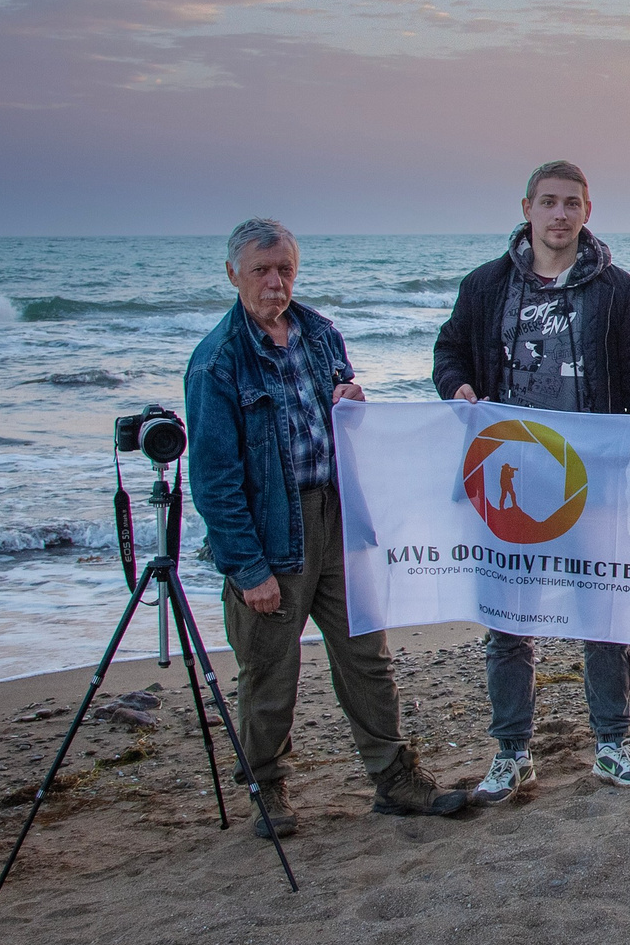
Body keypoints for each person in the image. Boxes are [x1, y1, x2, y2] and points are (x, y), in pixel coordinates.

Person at [185, 218, 468, 837]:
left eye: (284, 268)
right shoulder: (217, 363)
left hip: (338, 517)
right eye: (260, 270)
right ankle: (268, 789)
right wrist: (247, 566)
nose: (274, 282)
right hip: (271, 532)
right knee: (269, 672)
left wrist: (353, 400)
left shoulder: (318, 334)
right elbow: (212, 480)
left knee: (367, 655)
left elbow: (339, 413)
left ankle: (395, 780)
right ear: (233, 273)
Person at [434, 161, 630, 799]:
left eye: (571, 203)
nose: (559, 215)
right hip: (509, 476)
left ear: (587, 211)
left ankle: (613, 743)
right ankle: (512, 752)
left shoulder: (616, 290)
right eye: (548, 203)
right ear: (527, 208)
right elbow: (450, 349)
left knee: (604, 612)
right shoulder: (485, 286)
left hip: (593, 482)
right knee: (508, 618)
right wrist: (455, 385)